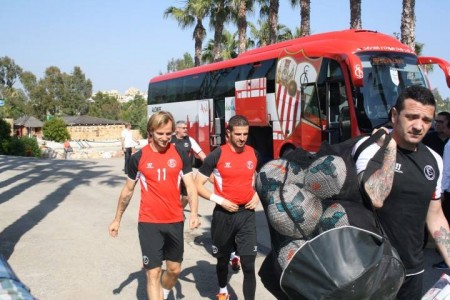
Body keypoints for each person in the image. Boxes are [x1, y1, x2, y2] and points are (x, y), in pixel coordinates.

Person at [353, 85, 447, 300]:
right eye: (412, 117)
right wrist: (390, 145)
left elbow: (434, 215)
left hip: (412, 270)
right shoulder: (371, 147)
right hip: (369, 267)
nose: (418, 126)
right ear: (394, 115)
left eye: (426, 120)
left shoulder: (434, 160)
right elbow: (376, 197)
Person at [109, 111, 200, 300]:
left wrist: (194, 213)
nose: (165, 138)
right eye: (161, 133)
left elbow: (190, 186)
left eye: (169, 133)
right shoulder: (138, 158)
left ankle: (164, 292)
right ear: (150, 132)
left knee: (174, 270)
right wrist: (117, 219)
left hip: (175, 220)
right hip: (149, 222)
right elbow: (127, 191)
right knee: (153, 274)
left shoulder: (180, 153)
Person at [194, 115, 260, 300]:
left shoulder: (253, 154)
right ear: (228, 133)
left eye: (245, 134)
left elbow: (257, 178)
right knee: (222, 260)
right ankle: (223, 290)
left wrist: (256, 194)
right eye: (238, 134)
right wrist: (220, 200)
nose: (242, 138)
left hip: (247, 214)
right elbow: (197, 184)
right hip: (223, 215)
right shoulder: (216, 155)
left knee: (248, 264)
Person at [170, 120, 206, 208]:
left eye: (186, 128)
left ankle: (178, 209)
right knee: (171, 195)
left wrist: (209, 165)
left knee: (186, 197)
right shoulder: (170, 139)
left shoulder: (190, 140)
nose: (186, 130)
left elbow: (201, 154)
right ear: (177, 129)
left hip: (186, 172)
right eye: (183, 128)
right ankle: (173, 212)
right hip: (172, 172)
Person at [433, 114, 450, 269]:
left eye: (442, 123)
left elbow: (446, 171)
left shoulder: (448, 145)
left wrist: (442, 191)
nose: (438, 125)